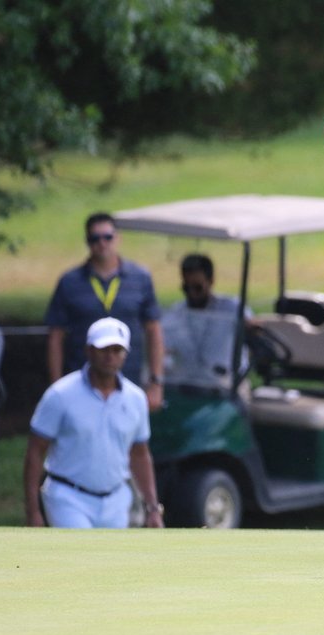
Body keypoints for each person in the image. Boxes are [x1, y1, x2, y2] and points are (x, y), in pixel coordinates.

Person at [23, 317, 164, 528]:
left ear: (125, 354)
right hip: (67, 496)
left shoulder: (135, 399)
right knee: (80, 558)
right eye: (103, 349)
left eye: (117, 350)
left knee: (110, 560)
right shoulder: (60, 394)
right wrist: (32, 510)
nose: (110, 356)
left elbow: (139, 453)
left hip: (116, 498)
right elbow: (35, 451)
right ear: (89, 350)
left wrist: (152, 507)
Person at [45, 212, 165, 410]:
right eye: (95, 238)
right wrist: (56, 386)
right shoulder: (70, 281)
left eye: (107, 237)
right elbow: (55, 336)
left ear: (118, 238)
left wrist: (156, 382)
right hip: (81, 381)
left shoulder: (140, 278)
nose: (102, 243)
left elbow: (153, 330)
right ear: (87, 241)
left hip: (129, 378)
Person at [161, 253, 252, 389]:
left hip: (227, 385)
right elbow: (163, 347)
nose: (191, 294)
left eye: (197, 288)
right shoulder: (176, 313)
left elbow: (253, 333)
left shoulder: (232, 309)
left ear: (211, 281)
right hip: (188, 384)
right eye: (186, 288)